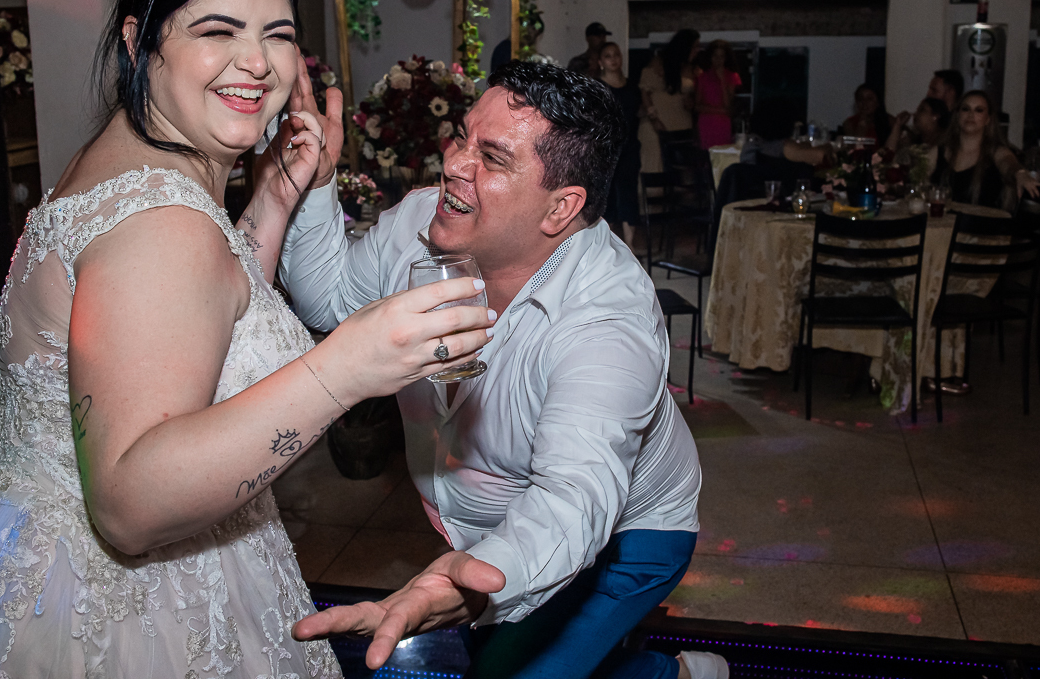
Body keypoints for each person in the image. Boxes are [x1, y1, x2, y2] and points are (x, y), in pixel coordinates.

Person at [0, 0, 494, 677]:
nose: (257, 63)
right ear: (140, 39)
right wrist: (346, 366)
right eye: (218, 30)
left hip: (14, 563)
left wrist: (276, 196)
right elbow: (131, 508)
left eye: (278, 35)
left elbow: (202, 317)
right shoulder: (161, 221)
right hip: (120, 612)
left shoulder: (130, 164)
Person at [281, 62, 725, 679]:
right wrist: (317, 182)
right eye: (461, 136)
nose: (453, 163)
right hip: (495, 530)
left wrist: (478, 580)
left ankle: (671, 675)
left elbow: (572, 498)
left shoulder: (607, 320)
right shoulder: (418, 226)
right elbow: (330, 299)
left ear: (561, 207)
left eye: (490, 157)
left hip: (632, 537)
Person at [934, 89, 1040, 208]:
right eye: (965, 109)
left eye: (979, 110)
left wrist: (1019, 173)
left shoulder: (996, 151)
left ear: (988, 119)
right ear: (958, 114)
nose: (971, 115)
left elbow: (1007, 162)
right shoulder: (938, 150)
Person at [599, 42, 641, 250]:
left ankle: (630, 244)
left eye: (616, 55)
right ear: (601, 62)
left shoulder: (632, 86)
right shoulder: (598, 87)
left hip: (630, 146)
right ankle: (606, 245)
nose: (613, 59)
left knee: (629, 192)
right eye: (608, 56)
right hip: (606, 148)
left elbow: (637, 114)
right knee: (607, 194)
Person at [640, 28, 701, 170]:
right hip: (658, 125)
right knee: (655, 167)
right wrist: (654, 119)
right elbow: (645, 92)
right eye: (694, 47)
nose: (697, 50)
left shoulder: (694, 69)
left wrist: (691, 102)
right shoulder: (659, 63)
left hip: (682, 126)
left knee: (680, 172)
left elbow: (697, 98)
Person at [883, 96, 951, 182]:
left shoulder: (944, 144)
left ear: (935, 116)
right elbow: (887, 157)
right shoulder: (911, 140)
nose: (915, 114)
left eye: (922, 110)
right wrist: (897, 125)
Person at [695, 39, 742, 150]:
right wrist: (720, 111)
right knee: (706, 154)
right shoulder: (702, 77)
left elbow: (728, 105)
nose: (718, 60)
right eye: (715, 56)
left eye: (721, 56)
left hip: (722, 124)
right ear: (710, 57)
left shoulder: (732, 76)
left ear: (726, 58)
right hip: (706, 124)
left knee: (722, 154)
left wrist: (722, 80)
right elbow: (697, 106)